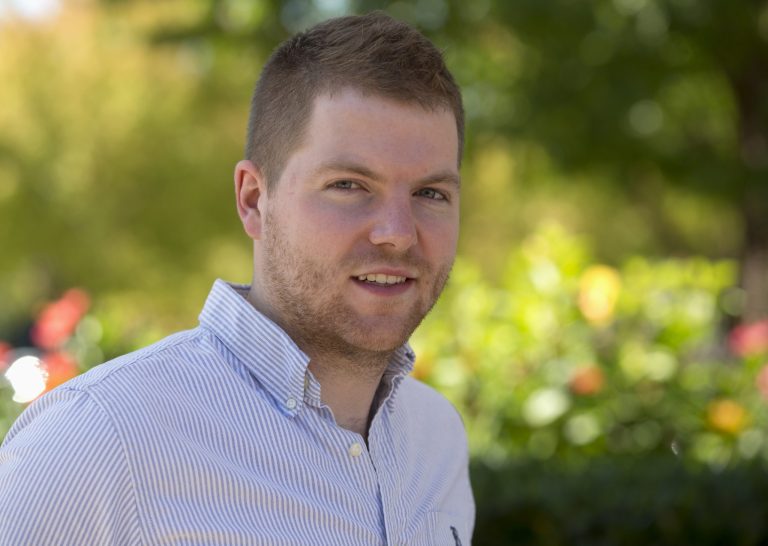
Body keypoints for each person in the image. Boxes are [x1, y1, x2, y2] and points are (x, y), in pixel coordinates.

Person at [0, 11, 474, 545]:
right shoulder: (98, 442)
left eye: (431, 194)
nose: (398, 234)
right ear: (254, 200)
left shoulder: (438, 441)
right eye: (349, 185)